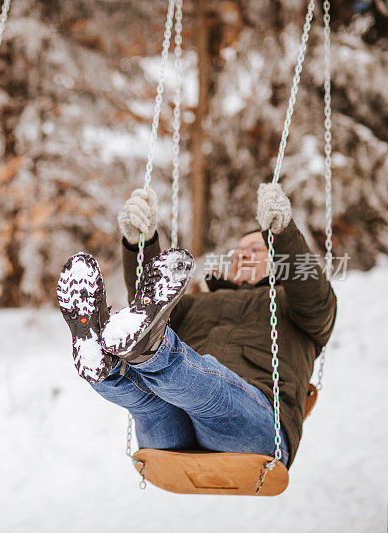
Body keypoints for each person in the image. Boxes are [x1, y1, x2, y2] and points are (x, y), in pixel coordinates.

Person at [56, 186, 336, 467]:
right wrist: (139, 241)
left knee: (208, 391)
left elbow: (315, 295)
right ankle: (103, 362)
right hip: (171, 434)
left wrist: (282, 235)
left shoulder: (294, 305)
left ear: (279, 260)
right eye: (238, 251)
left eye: (257, 248)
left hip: (256, 430)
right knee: (148, 401)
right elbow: (146, 309)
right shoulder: (196, 303)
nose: (243, 255)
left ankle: (148, 354)